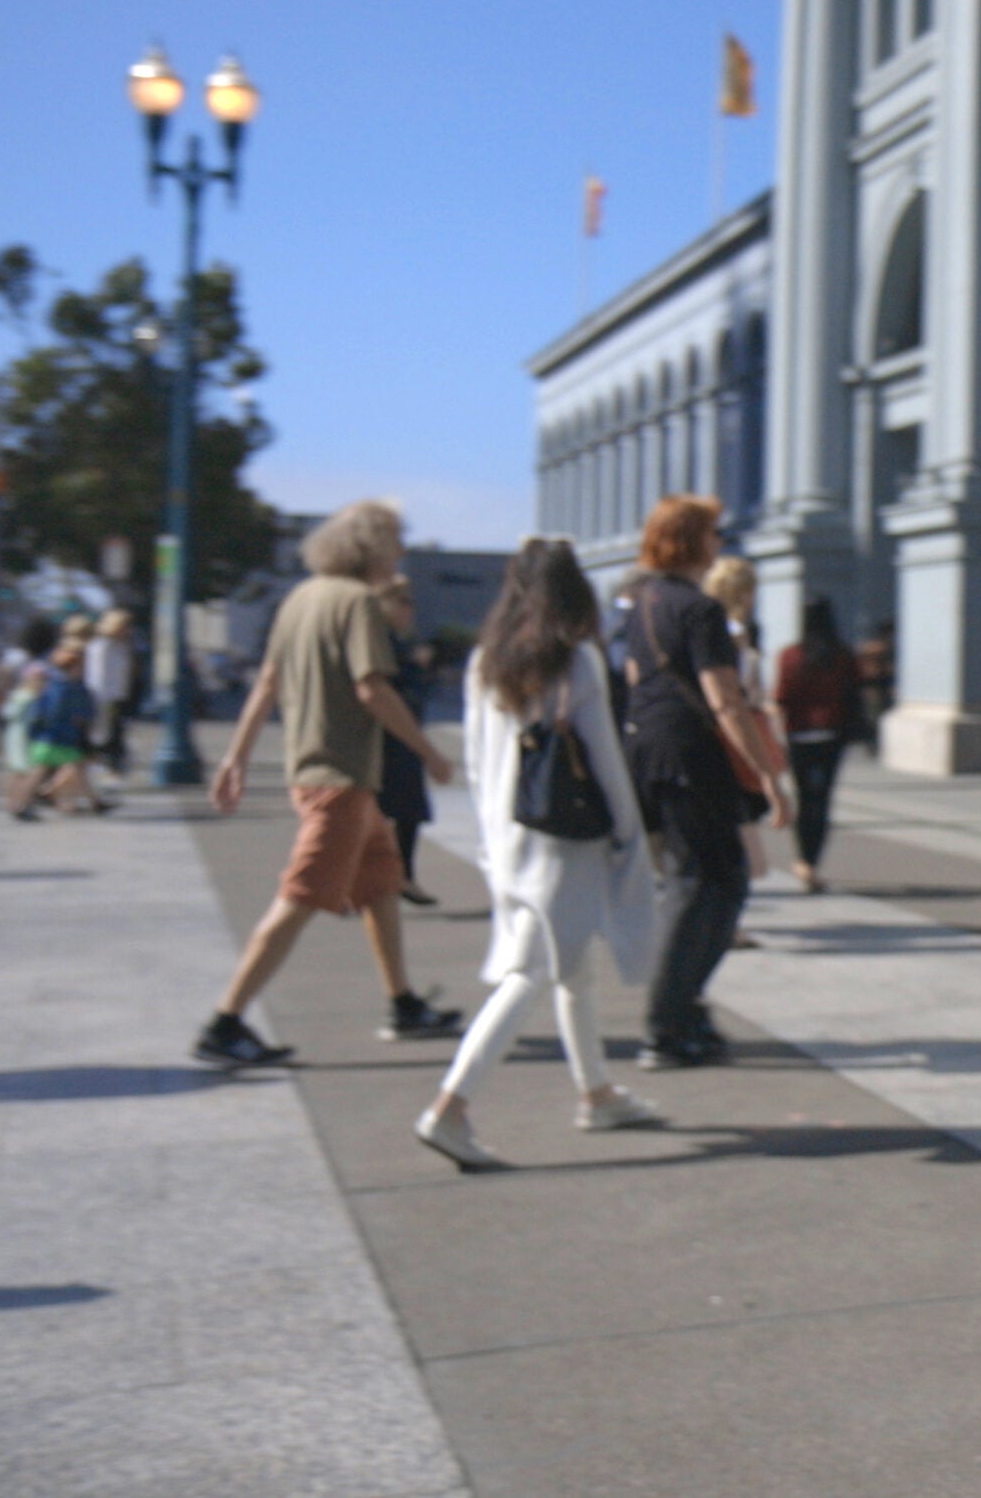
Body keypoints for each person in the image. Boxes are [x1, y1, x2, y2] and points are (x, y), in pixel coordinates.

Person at [413, 538, 664, 1171]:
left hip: (508, 831)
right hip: (564, 839)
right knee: (534, 972)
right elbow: (605, 761)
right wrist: (630, 836)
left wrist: (488, 836)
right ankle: (451, 1107)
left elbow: (475, 756)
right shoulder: (575, 663)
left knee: (570, 966)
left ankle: (597, 1092)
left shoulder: (486, 662)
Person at [196, 500, 466, 1067]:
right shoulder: (359, 603)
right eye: (394, 540)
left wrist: (236, 757)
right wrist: (428, 751)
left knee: (381, 885)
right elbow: (373, 689)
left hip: (322, 774)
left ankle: (404, 1003)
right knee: (298, 898)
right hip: (340, 779)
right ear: (370, 547)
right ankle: (225, 1022)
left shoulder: (301, 597)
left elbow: (267, 682)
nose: (401, 552)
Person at [619, 496, 790, 1069]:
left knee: (700, 880)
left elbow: (636, 678)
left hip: (652, 752)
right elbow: (725, 699)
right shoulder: (699, 610)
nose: (721, 541)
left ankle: (682, 1012)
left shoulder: (644, 604)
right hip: (694, 755)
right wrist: (768, 776)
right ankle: (668, 1023)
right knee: (710, 884)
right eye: (714, 531)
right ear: (693, 540)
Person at [700, 555, 777, 915]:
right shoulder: (733, 636)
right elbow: (737, 696)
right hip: (734, 741)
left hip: (712, 742)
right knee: (739, 831)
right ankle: (729, 916)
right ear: (744, 593)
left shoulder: (702, 627)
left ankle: (729, 914)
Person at [772, 593, 860, 894]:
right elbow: (853, 694)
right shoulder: (843, 655)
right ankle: (812, 860)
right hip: (832, 734)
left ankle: (802, 860)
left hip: (799, 734)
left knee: (804, 797)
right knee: (822, 800)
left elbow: (782, 696)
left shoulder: (790, 656)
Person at [374, 576, 439, 906]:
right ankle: (385, 878)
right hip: (390, 738)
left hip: (400, 738)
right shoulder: (382, 642)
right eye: (404, 603)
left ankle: (401, 876)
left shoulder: (397, 641)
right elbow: (384, 690)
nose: (411, 610)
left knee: (404, 811)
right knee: (386, 810)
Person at [24, 641, 110, 815]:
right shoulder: (65, 687)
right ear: (72, 667)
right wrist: (79, 718)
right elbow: (57, 713)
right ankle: (33, 798)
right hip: (58, 738)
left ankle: (93, 802)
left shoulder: (58, 685)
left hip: (55, 737)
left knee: (70, 768)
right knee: (47, 770)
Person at [0, 618, 60, 821]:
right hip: (30, 720)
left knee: (17, 768)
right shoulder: (43, 661)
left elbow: (3, 675)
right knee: (28, 766)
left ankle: (14, 802)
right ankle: (24, 802)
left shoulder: (14, 656)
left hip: (13, 711)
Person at [84, 609, 137, 775]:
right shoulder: (101, 647)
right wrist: (103, 702)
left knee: (110, 735)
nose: (128, 631)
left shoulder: (121, 646)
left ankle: (106, 766)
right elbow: (97, 677)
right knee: (100, 735)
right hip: (103, 698)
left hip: (117, 697)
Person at [854, 618, 895, 751]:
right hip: (875, 684)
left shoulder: (870, 647)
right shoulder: (879, 648)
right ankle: (873, 741)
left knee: (874, 713)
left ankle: (873, 740)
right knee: (875, 713)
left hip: (874, 684)